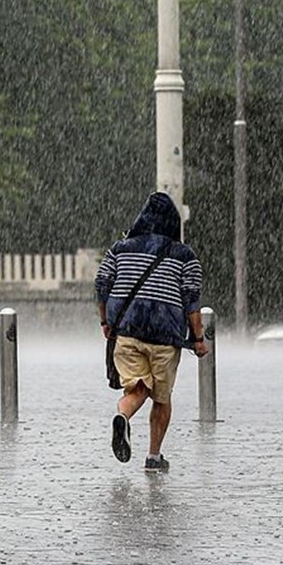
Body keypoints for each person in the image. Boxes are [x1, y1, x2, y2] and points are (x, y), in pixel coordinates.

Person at [95, 192, 209, 473]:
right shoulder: (184, 256)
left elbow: (101, 284)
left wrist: (105, 321)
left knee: (137, 388)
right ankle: (154, 457)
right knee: (161, 397)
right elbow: (191, 300)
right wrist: (198, 338)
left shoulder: (120, 249)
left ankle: (123, 415)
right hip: (165, 336)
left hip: (128, 331)